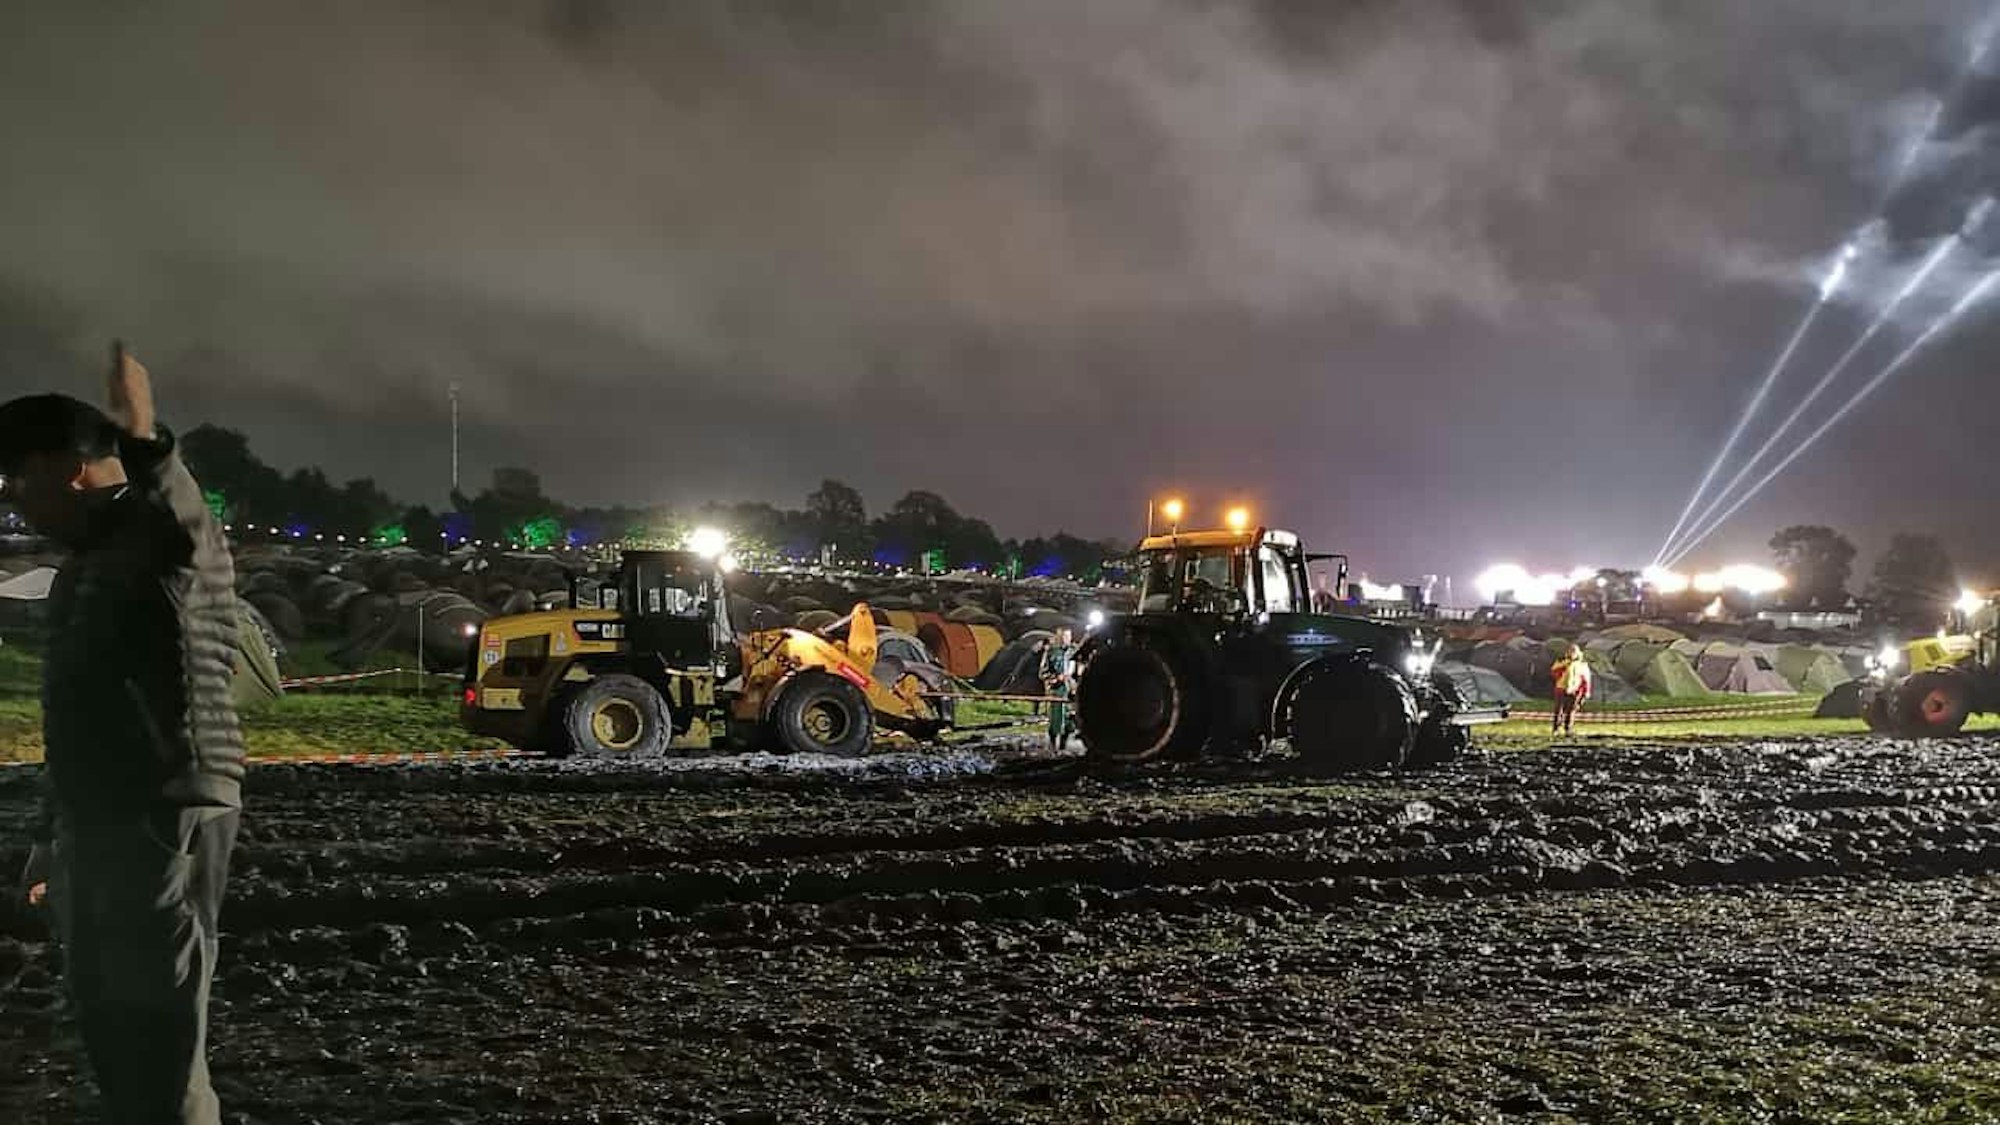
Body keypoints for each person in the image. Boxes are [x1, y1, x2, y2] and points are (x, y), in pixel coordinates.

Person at [3, 344, 244, 1125]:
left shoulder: (159, 533)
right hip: (97, 816)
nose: (13, 499)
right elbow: (73, 709)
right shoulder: (82, 568)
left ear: (72, 466)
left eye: (17, 478)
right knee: (109, 1022)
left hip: (159, 806)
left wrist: (146, 439)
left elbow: (184, 513)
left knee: (157, 1030)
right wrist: (53, 829)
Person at [1039, 626, 1076, 751]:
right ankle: (1053, 747)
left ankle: (1063, 747)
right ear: (1058, 637)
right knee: (1056, 720)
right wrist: (1055, 678)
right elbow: (1042, 672)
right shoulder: (1051, 653)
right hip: (1057, 691)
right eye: (1063, 637)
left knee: (1070, 721)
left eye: (1068, 636)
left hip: (1072, 692)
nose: (1066, 639)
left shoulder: (1075, 652)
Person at [1550, 644, 1593, 736]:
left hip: (1575, 690)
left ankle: (1568, 729)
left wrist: (1586, 692)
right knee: (1558, 709)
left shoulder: (1582, 665)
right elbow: (1554, 672)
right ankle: (1556, 729)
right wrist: (1565, 664)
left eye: (1574, 651)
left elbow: (1586, 680)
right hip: (1561, 688)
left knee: (1571, 710)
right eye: (1570, 651)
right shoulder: (1561, 661)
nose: (1572, 653)